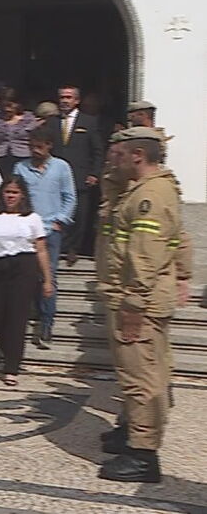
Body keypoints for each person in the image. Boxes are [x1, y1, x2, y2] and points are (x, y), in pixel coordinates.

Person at [97, 127, 184, 483]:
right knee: (134, 373)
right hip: (130, 296)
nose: (112, 161)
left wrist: (133, 303)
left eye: (119, 155)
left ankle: (143, 454)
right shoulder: (138, 190)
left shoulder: (150, 194)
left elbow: (145, 255)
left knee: (142, 379)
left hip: (138, 302)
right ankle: (133, 430)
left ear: (137, 155)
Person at [13, 128, 76, 349]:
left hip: (50, 230)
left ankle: (46, 323)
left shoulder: (61, 167)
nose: (35, 151)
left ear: (49, 145)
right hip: (27, 229)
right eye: (32, 146)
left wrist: (61, 220)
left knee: (49, 276)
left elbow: (69, 197)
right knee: (27, 275)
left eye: (39, 146)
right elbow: (15, 195)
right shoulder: (20, 168)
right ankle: (29, 315)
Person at [0, 176, 54, 386]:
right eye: (7, 192)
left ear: (22, 195)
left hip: (23, 267)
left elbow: (41, 250)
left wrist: (47, 280)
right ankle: (9, 351)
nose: (10, 196)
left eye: (15, 192)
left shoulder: (32, 218)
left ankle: (11, 365)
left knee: (17, 317)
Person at [46, 85, 103, 264]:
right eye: (62, 97)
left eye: (69, 97)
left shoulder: (89, 121)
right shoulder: (52, 122)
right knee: (58, 211)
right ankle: (59, 245)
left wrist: (94, 173)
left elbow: (98, 150)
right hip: (55, 176)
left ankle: (74, 248)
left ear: (77, 100)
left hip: (80, 176)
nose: (64, 101)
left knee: (79, 213)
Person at [0, 93, 39, 177]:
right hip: (0, 158)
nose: (7, 109)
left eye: (10, 105)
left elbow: (36, 141)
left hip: (24, 158)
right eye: (5, 105)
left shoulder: (29, 118)